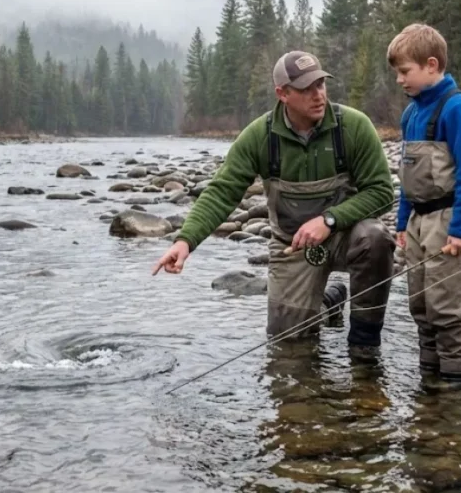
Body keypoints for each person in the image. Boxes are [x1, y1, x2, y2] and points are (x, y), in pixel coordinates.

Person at [152, 50, 396, 358]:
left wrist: (330, 220)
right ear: (283, 94)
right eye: (306, 89)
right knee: (288, 346)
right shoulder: (259, 136)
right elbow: (222, 191)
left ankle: (364, 344)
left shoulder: (354, 127)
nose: (318, 95)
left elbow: (382, 191)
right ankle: (328, 303)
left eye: (321, 84)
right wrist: (185, 241)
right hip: (292, 247)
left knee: (375, 238)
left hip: (345, 237)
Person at [387, 23, 461, 385]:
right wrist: (401, 221)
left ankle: (455, 393)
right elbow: (407, 173)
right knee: (421, 307)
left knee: (447, 311)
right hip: (417, 220)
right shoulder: (410, 114)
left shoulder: (458, 109)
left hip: (450, 222)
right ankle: (430, 383)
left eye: (405, 72)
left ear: (431, 65)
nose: (400, 80)